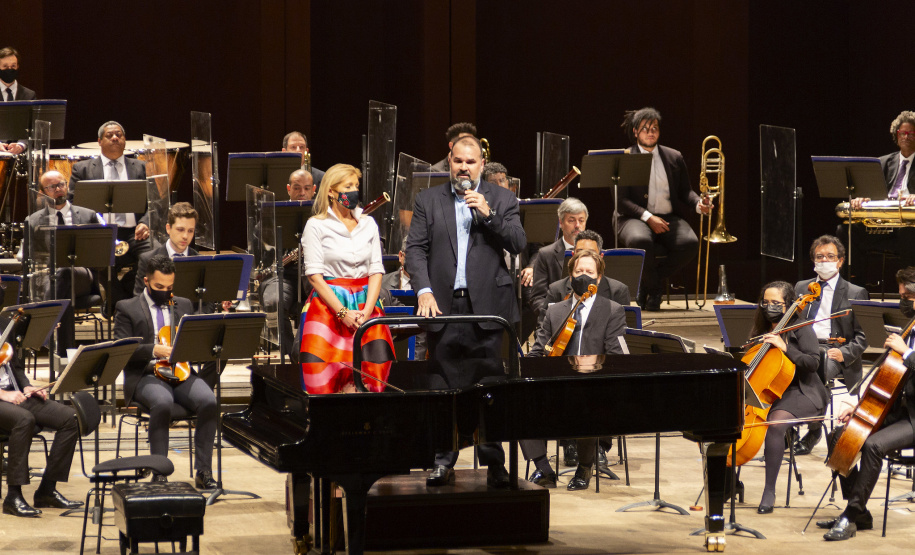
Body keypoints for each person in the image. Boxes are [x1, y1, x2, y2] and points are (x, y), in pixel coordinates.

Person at [405, 135, 526, 489]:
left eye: (470, 162)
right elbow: (416, 250)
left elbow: (518, 242)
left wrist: (488, 214)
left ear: (481, 164)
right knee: (443, 387)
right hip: (442, 304)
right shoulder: (428, 200)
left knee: (488, 387)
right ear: (450, 161)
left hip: (487, 306)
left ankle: (494, 462)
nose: (463, 168)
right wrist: (424, 290)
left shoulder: (501, 198)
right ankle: (443, 460)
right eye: (458, 161)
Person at [818, 267, 915, 541]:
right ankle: (859, 513)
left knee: (873, 445)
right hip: (896, 411)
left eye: (907, 297)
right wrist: (861, 406)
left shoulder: (907, 340)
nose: (903, 302)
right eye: (901, 296)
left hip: (914, 418)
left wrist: (907, 352)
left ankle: (850, 515)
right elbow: (888, 378)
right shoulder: (910, 328)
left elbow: (908, 362)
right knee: (840, 436)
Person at [522, 250, 626, 490]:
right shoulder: (555, 310)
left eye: (590, 272)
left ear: (599, 278)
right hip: (557, 385)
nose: (584, 276)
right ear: (570, 277)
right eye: (579, 271)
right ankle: (543, 468)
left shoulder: (611, 310)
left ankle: (584, 467)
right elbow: (539, 349)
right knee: (519, 401)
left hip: (593, 385)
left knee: (588, 401)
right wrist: (527, 369)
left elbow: (616, 356)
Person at [113, 254, 218, 489]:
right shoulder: (127, 308)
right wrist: (154, 350)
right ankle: (159, 472)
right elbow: (122, 349)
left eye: (169, 288)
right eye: (159, 287)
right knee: (162, 402)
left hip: (179, 371)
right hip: (145, 373)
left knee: (209, 401)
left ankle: (204, 472)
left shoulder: (183, 304)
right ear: (146, 281)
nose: (165, 292)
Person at [300, 163, 393, 393]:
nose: (354, 191)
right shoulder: (316, 225)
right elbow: (314, 276)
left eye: (356, 186)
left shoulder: (368, 223)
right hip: (329, 306)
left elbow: (376, 270)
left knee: (374, 373)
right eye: (348, 186)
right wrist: (343, 313)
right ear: (331, 191)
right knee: (324, 375)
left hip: (366, 304)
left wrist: (367, 311)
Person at [617, 107, 711, 311]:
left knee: (690, 244)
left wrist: (698, 204)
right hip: (632, 218)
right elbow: (621, 201)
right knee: (640, 241)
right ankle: (655, 291)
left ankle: (648, 283)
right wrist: (648, 217)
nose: (650, 132)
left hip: (668, 217)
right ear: (635, 131)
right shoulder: (625, 158)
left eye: (654, 128)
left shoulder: (674, 156)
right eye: (645, 128)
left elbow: (686, 191)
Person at [747, 281, 827, 514]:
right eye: (765, 302)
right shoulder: (762, 328)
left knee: (775, 424)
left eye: (775, 302)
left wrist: (785, 347)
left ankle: (769, 491)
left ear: (789, 304)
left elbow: (812, 363)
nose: (769, 307)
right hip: (771, 389)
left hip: (802, 390)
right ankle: (729, 482)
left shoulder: (801, 328)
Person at [792, 235, 868, 455]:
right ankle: (788, 429)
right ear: (813, 260)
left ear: (840, 261)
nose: (824, 260)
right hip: (805, 346)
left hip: (834, 352)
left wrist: (844, 353)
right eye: (819, 256)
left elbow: (863, 336)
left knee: (817, 369)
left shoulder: (855, 292)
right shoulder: (802, 287)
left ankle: (814, 431)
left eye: (830, 256)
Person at [69, 121, 151, 305]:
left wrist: (145, 222)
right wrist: (91, 228)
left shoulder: (141, 167)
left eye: (119, 135)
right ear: (99, 141)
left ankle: (130, 297)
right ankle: (122, 303)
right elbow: (73, 204)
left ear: (125, 140)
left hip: (134, 232)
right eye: (109, 135)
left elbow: (154, 202)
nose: (115, 138)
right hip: (100, 232)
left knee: (155, 256)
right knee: (98, 260)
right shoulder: (82, 169)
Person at [23, 171, 104, 356]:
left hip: (83, 278)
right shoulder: (33, 221)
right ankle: (66, 354)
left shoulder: (88, 215)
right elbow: (29, 259)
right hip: (50, 280)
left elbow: (99, 256)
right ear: (42, 192)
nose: (58, 189)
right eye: (52, 187)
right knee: (63, 293)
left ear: (67, 185)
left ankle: (44, 325)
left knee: (66, 271)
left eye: (61, 184)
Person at [0, 349, 83, 517]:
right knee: (24, 419)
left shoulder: (5, 331)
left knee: (70, 419)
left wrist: (27, 386)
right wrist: (3, 394)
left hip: (15, 393)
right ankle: (13, 496)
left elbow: (16, 367)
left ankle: (47, 490)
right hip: (4, 397)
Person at [843, 111, 915, 278]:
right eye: (902, 133)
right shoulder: (882, 162)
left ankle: (909, 286)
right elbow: (869, 192)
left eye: (911, 133)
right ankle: (856, 286)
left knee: (908, 233)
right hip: (883, 223)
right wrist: (862, 198)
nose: (906, 137)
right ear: (896, 134)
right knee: (847, 230)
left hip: (908, 225)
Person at [541, 229, 631, 322]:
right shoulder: (556, 290)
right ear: (573, 255)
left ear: (601, 256)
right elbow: (543, 326)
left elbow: (623, 328)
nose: (585, 257)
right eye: (580, 252)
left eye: (591, 253)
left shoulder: (618, 291)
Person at [524, 197, 589, 321]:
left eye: (581, 220)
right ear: (561, 223)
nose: (577, 225)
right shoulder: (546, 254)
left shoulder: (594, 253)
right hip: (555, 322)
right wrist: (554, 317)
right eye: (571, 220)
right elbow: (537, 298)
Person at [0, 47, 35, 155]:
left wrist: (21, 144)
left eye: (13, 66)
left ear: (18, 66)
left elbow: (33, 126)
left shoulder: (29, 95)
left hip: (21, 155)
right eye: (5, 66)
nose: (9, 69)